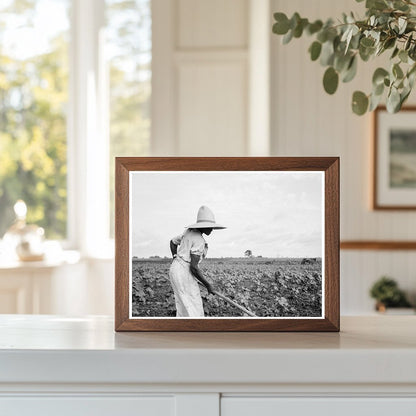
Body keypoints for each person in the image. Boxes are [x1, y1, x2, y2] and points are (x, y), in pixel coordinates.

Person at [169, 205, 226, 317]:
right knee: (194, 306)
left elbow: (172, 242)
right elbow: (194, 268)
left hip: (175, 269)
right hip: (184, 272)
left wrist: (175, 257)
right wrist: (208, 285)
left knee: (183, 305)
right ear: (202, 226)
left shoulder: (188, 232)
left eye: (212, 226)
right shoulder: (199, 240)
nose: (211, 229)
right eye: (209, 226)